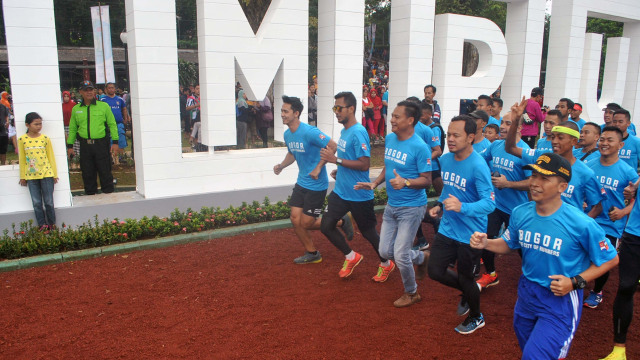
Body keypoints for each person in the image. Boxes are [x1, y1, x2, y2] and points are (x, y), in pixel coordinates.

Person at [470, 152, 618, 360]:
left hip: (561, 300)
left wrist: (575, 282)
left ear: (562, 187)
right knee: (529, 349)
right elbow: (509, 244)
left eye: (544, 178)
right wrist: (486, 243)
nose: (535, 183)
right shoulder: (521, 212)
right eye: (533, 176)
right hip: (527, 293)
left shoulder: (581, 223)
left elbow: (611, 258)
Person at [356, 100, 432, 307]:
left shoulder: (420, 147)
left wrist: (406, 182)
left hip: (412, 207)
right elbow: (388, 168)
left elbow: (427, 180)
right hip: (392, 205)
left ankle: (412, 292)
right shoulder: (390, 139)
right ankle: (421, 258)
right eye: (392, 116)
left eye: (397, 117)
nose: (392, 120)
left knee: (399, 254)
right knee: (385, 252)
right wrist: (375, 183)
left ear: (410, 120)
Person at [427, 114, 495, 334]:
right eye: (449, 134)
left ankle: (477, 316)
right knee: (435, 271)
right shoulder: (446, 160)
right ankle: (469, 290)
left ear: (471, 137)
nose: (451, 139)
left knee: (466, 277)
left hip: (471, 235)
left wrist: (462, 208)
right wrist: (440, 204)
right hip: (448, 228)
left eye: (456, 135)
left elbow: (489, 204)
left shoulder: (478, 166)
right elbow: (449, 188)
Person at [319, 91, 392, 281]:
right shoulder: (345, 131)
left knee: (369, 233)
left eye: (339, 108)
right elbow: (349, 161)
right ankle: (351, 256)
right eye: (334, 108)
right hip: (342, 192)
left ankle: (387, 263)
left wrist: (336, 160)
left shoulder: (359, 132)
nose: (336, 112)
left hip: (359, 194)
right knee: (326, 225)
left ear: (351, 109)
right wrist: (340, 170)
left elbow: (365, 164)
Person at [506, 98, 604, 218]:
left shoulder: (585, 173)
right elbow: (511, 148)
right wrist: (515, 122)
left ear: (573, 141)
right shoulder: (543, 157)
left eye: (560, 138)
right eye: (553, 137)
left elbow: (597, 206)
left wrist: (579, 226)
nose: (555, 142)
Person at [273, 95, 337, 264]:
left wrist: (319, 167)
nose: (282, 114)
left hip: (317, 184)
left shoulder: (310, 132)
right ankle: (312, 253)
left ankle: (339, 221)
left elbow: (332, 146)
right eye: (281, 111)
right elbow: (292, 153)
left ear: (296, 113)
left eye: (286, 111)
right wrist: (281, 166)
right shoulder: (288, 134)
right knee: (295, 218)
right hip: (302, 182)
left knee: (307, 222)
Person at [583, 127, 638, 309]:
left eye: (610, 140)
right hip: (589, 219)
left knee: (603, 259)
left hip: (611, 225)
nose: (604, 143)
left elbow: (635, 201)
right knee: (581, 254)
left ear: (621, 145)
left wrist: (623, 212)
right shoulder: (589, 166)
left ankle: (597, 291)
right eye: (602, 139)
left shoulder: (628, 171)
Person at [476, 112, 531, 290]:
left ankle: (532, 277)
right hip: (496, 205)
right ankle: (491, 274)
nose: (503, 126)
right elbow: (479, 161)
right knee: (486, 237)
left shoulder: (526, 152)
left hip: (518, 209)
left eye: (508, 123)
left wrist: (508, 183)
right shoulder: (495, 145)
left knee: (524, 247)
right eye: (502, 123)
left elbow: (532, 183)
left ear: (519, 127)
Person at [599, 179, 640, 360]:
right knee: (625, 287)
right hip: (635, 234)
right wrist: (634, 189)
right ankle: (619, 350)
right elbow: (633, 190)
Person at [67, 80, 119, 195]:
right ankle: (90, 198)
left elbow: (112, 124)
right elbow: (73, 128)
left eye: (91, 89)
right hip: (85, 145)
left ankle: (109, 197)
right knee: (87, 173)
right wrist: (70, 145)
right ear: (81, 92)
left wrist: (115, 142)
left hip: (101, 144)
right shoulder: (76, 109)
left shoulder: (103, 106)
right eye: (86, 90)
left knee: (105, 171)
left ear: (94, 91)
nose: (89, 92)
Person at [18, 112, 58, 229]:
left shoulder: (45, 139)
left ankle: (52, 224)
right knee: (36, 203)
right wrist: (22, 176)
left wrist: (54, 174)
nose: (39, 126)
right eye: (36, 124)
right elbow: (22, 159)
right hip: (31, 177)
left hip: (46, 174)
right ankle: (42, 225)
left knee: (49, 201)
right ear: (27, 125)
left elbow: (51, 156)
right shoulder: (22, 140)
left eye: (40, 124)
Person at [101, 82, 130, 165]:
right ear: (106, 89)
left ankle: (120, 158)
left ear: (115, 89)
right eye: (109, 88)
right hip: (108, 125)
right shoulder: (103, 100)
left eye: (112, 87)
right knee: (110, 141)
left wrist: (125, 118)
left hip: (119, 124)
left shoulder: (119, 99)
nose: (111, 89)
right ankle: (111, 159)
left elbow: (124, 109)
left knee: (120, 141)